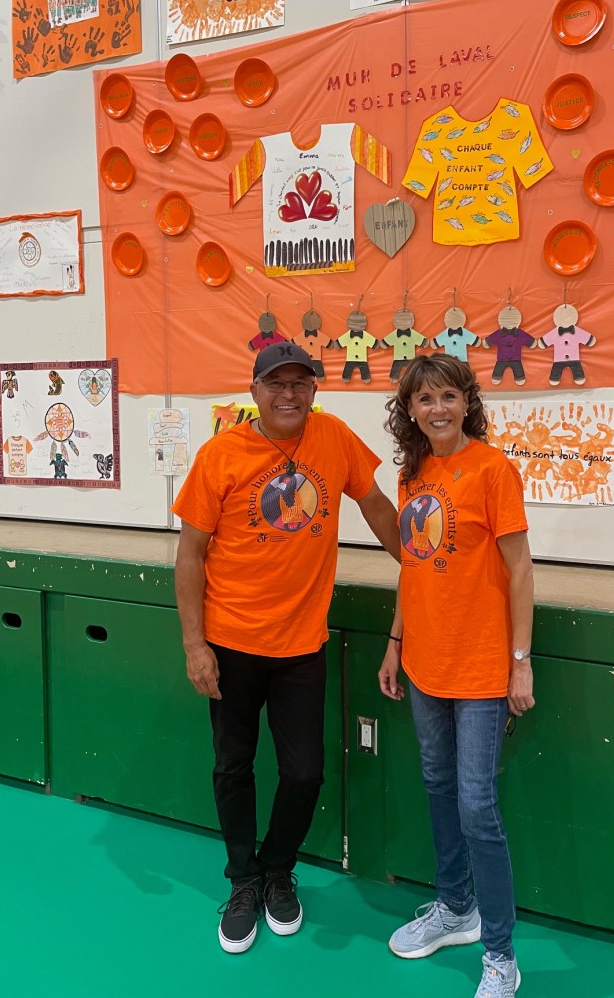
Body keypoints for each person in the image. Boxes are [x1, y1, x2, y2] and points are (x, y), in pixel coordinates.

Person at [173, 342, 400, 956]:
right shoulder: (221, 454)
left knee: (305, 772)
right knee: (233, 765)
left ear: (314, 392)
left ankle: (278, 869)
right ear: (254, 391)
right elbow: (190, 555)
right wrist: (195, 644)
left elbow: (376, 504)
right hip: (231, 641)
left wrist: (421, 561)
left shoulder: (334, 438)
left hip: (301, 644)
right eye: (277, 383)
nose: (290, 394)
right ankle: (243, 879)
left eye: (301, 383)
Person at [378, 353, 534, 998]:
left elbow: (521, 569)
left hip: (481, 667)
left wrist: (520, 662)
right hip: (424, 663)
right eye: (425, 399)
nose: (437, 408)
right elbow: (413, 566)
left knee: (477, 806)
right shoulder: (412, 475)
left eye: (448, 396)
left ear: (467, 401)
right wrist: (395, 643)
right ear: (410, 411)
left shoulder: (493, 470)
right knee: (438, 785)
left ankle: (500, 954)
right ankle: (455, 907)